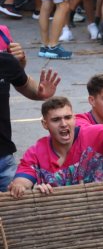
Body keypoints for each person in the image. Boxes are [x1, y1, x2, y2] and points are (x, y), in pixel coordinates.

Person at [9, 94, 103, 197]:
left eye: (67, 117)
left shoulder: (94, 134)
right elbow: (21, 182)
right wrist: (23, 189)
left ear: (74, 118)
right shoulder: (36, 152)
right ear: (45, 124)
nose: (63, 124)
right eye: (56, 120)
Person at [0, 46, 61, 190]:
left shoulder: (5, 61)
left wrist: (41, 93)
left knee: (17, 210)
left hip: (3, 158)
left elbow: (27, 85)